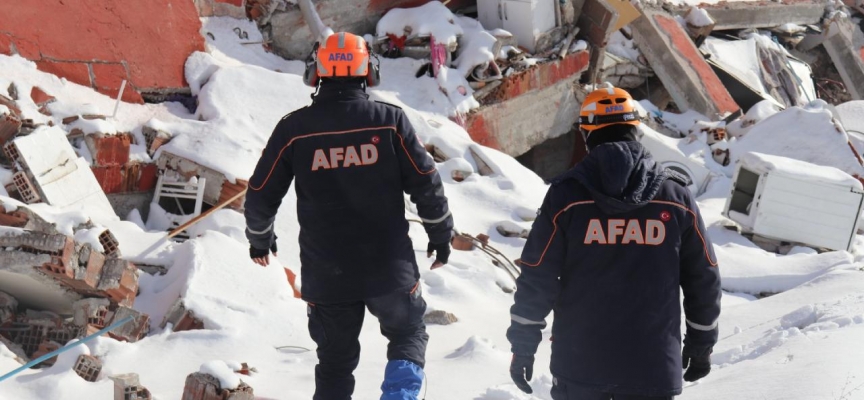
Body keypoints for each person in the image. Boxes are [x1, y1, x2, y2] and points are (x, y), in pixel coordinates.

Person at [244, 32, 454, 400]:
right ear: (367, 69)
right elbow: (426, 184)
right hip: (389, 269)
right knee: (407, 335)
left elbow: (260, 195)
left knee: (335, 364)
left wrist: (260, 239)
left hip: (327, 275)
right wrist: (440, 236)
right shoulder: (389, 122)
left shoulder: (294, 130)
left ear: (317, 70)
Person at [506, 84, 721, 400]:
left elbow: (537, 274)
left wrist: (523, 346)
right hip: (653, 366)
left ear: (587, 134)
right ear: (636, 128)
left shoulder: (566, 197)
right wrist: (701, 342)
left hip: (580, 367)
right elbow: (704, 276)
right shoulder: (675, 198)